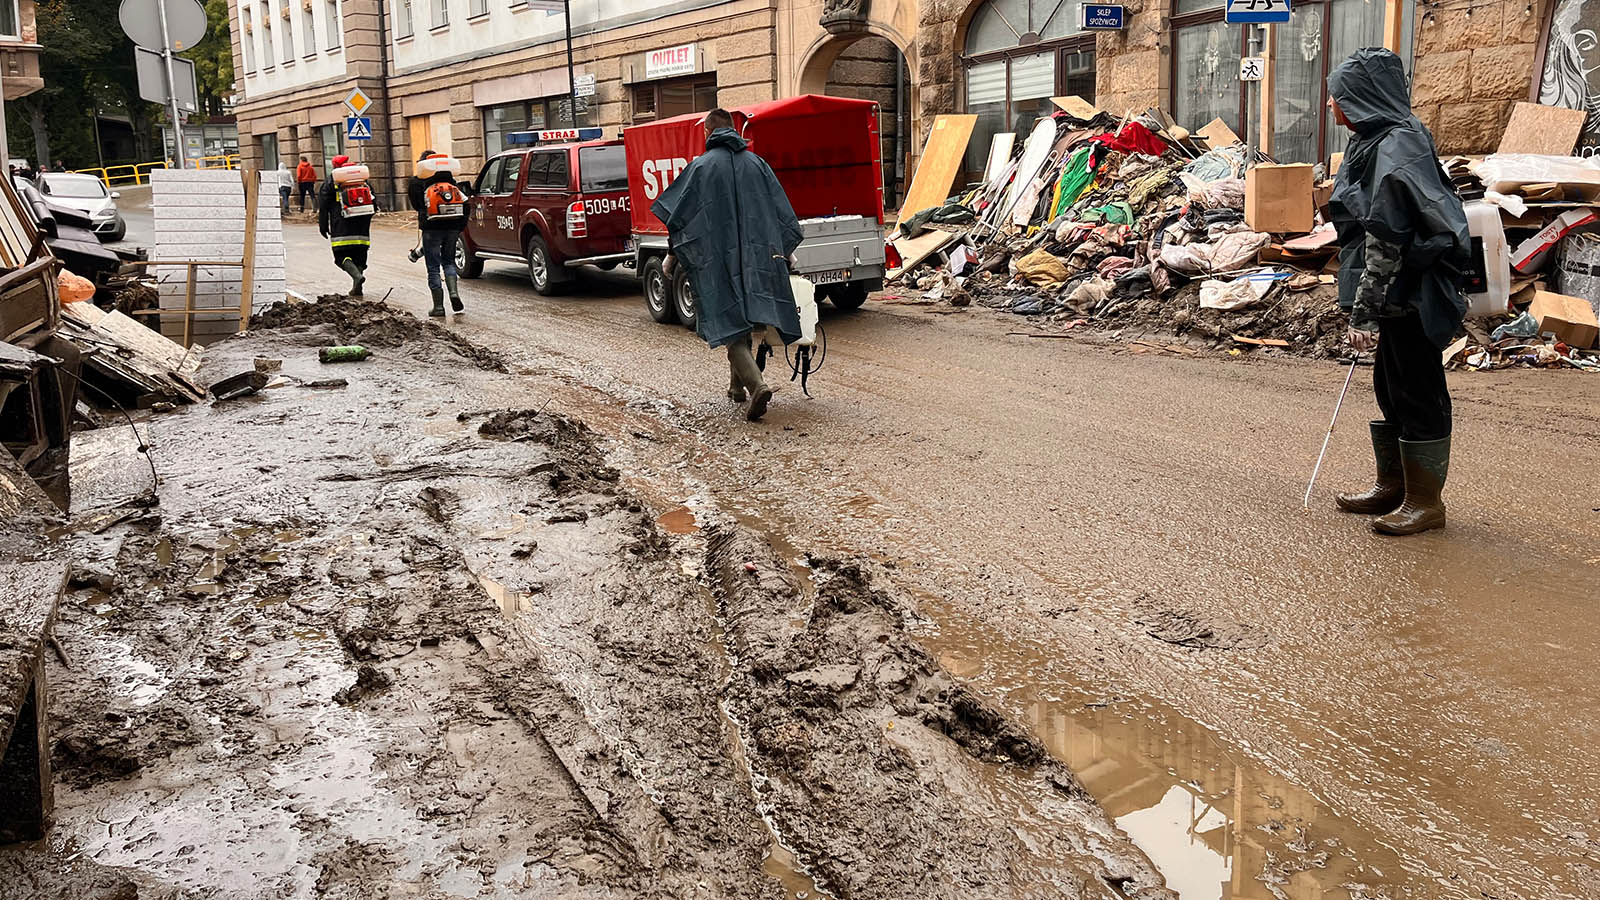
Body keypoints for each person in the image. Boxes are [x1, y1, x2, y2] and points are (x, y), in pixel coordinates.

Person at [1326, 48, 1472, 536]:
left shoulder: (1397, 146)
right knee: (1390, 387)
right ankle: (1394, 486)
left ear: (1363, 98)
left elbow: (1386, 238)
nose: (1331, 105)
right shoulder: (1374, 140)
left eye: (1338, 96)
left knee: (1417, 391)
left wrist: (1363, 315)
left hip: (1410, 293)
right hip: (1392, 294)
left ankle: (1424, 503)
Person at [651, 108, 803, 422]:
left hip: (717, 261)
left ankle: (757, 385)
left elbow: (680, 218)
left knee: (728, 326)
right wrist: (786, 251)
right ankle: (737, 389)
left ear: (708, 133)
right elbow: (781, 211)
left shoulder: (700, 167)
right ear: (733, 131)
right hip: (758, 259)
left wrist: (671, 256)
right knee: (743, 321)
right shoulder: (757, 164)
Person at [407, 150, 469, 317]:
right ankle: (454, 293)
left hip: (431, 229)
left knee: (433, 268)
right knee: (449, 262)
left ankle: (438, 307)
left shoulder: (417, 182)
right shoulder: (451, 182)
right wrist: (460, 226)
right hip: (452, 228)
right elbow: (466, 203)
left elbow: (417, 205)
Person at [318, 155, 375, 297]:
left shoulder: (331, 181)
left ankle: (356, 277)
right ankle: (357, 287)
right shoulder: (362, 179)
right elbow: (373, 200)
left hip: (341, 223)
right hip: (362, 223)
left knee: (340, 256)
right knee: (360, 255)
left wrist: (323, 225)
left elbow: (323, 205)